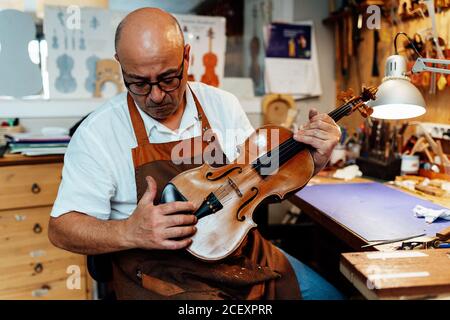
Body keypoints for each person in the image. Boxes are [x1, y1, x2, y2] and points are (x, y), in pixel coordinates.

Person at [48, 8, 343, 300]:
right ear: (120, 65)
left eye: (168, 79)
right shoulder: (98, 132)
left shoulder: (222, 105)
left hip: (241, 256)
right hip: (161, 274)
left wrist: (313, 161)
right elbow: (61, 229)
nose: (156, 96)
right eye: (139, 82)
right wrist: (129, 231)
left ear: (186, 57)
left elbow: (264, 181)